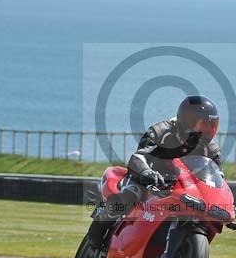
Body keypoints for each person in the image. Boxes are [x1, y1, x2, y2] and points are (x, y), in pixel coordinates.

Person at [86, 95, 222, 249]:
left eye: (210, 125)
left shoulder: (211, 149)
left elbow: (216, 178)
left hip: (181, 188)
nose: (206, 130)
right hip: (147, 179)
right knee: (130, 195)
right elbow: (139, 156)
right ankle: (97, 229)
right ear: (186, 121)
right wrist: (147, 173)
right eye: (202, 124)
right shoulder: (162, 131)